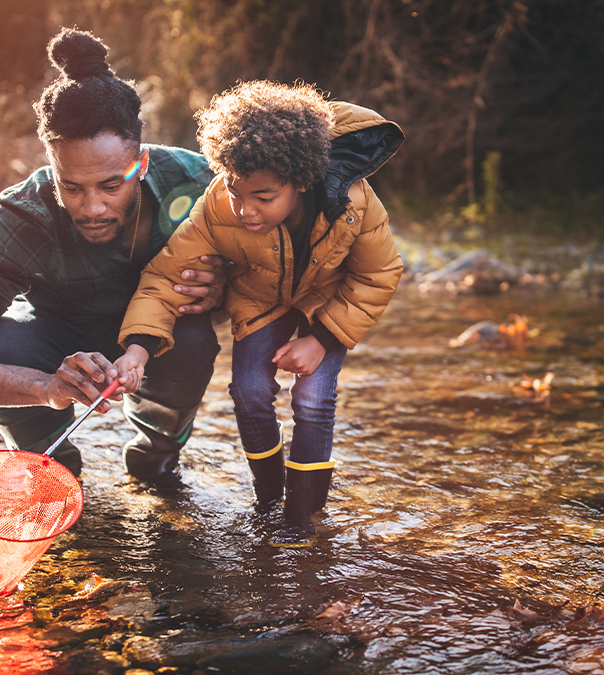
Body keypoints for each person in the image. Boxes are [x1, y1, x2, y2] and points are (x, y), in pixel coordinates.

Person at [0, 27, 224, 488]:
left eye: (112, 185)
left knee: (194, 342)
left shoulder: (199, 183)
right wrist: (43, 389)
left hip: (163, 338)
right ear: (52, 164)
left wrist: (224, 288)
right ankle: (53, 472)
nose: (92, 208)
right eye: (71, 187)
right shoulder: (23, 214)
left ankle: (156, 457)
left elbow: (281, 263)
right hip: (54, 338)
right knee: (0, 345)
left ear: (142, 163)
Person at [114, 80, 405, 544]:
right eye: (235, 190)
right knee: (248, 391)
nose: (245, 209)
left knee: (312, 398)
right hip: (258, 298)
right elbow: (165, 277)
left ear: (302, 181)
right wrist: (138, 348)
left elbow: (379, 274)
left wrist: (323, 340)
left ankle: (303, 517)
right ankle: (269, 501)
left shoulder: (354, 203)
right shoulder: (217, 206)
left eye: (263, 197)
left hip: (326, 304)